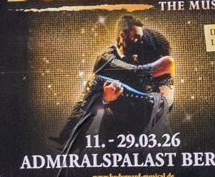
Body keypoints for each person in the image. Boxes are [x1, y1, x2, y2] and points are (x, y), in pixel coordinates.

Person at [59, 14, 175, 150]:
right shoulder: (106, 59)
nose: (140, 41)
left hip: (147, 119)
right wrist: (105, 98)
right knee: (96, 82)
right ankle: (70, 134)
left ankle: (69, 134)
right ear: (122, 35)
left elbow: (161, 86)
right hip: (115, 128)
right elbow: (93, 99)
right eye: (136, 37)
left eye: (141, 37)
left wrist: (163, 97)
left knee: (96, 81)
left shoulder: (144, 54)